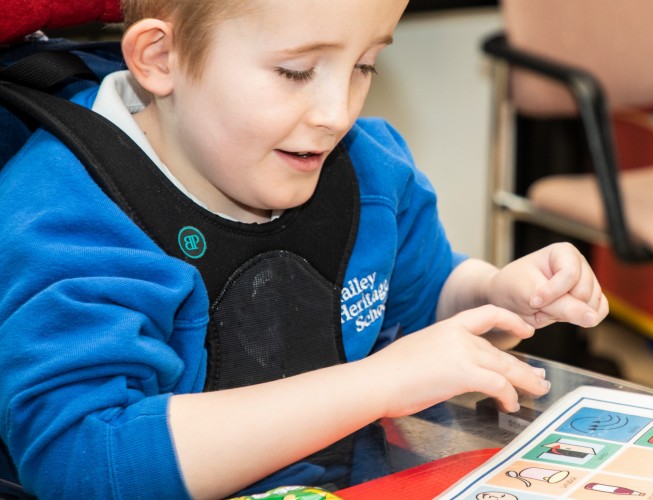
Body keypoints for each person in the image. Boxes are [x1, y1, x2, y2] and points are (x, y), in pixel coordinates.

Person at [0, 0, 609, 498]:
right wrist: (374, 384)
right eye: (295, 72)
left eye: (365, 66)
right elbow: (82, 461)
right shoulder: (67, 213)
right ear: (162, 58)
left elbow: (419, 299)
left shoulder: (365, 170)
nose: (337, 113)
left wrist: (496, 296)